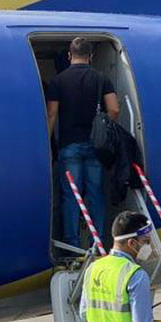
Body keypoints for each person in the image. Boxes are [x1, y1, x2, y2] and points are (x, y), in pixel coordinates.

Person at [47, 37, 120, 249]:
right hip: (96, 146)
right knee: (96, 194)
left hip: (69, 145)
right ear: (91, 56)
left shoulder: (58, 80)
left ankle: (72, 243)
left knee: (71, 196)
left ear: (70, 55)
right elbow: (114, 109)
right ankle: (97, 243)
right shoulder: (101, 78)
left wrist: (48, 143)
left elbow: (52, 113)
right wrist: (105, 128)